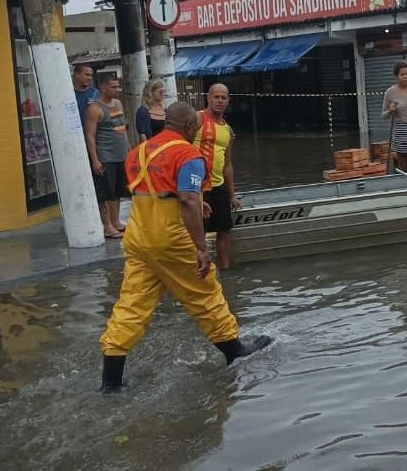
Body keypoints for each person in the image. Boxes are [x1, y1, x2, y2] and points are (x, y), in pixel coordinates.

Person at [98, 102, 272, 392]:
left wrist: (194, 201)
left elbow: (154, 190)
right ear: (191, 127)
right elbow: (187, 199)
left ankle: (111, 380)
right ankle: (234, 350)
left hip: (139, 237)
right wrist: (201, 247)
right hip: (171, 239)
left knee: (131, 304)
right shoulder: (188, 154)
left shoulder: (136, 153)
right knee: (205, 293)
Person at [194, 83, 240, 270]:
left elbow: (228, 164)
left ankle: (225, 269)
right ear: (208, 97)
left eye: (223, 98)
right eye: (216, 97)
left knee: (224, 230)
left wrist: (232, 194)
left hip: (218, 184)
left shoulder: (227, 129)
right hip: (197, 186)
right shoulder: (197, 119)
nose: (220, 101)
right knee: (198, 232)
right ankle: (198, 269)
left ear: (228, 101)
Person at [85, 74, 129, 239]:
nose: (116, 89)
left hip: (120, 154)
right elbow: (90, 135)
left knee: (117, 192)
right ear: (103, 87)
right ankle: (106, 226)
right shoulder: (95, 108)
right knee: (106, 192)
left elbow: (121, 126)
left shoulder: (118, 103)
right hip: (105, 155)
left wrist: (128, 147)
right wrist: (95, 159)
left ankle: (115, 221)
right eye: (113, 87)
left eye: (117, 86)